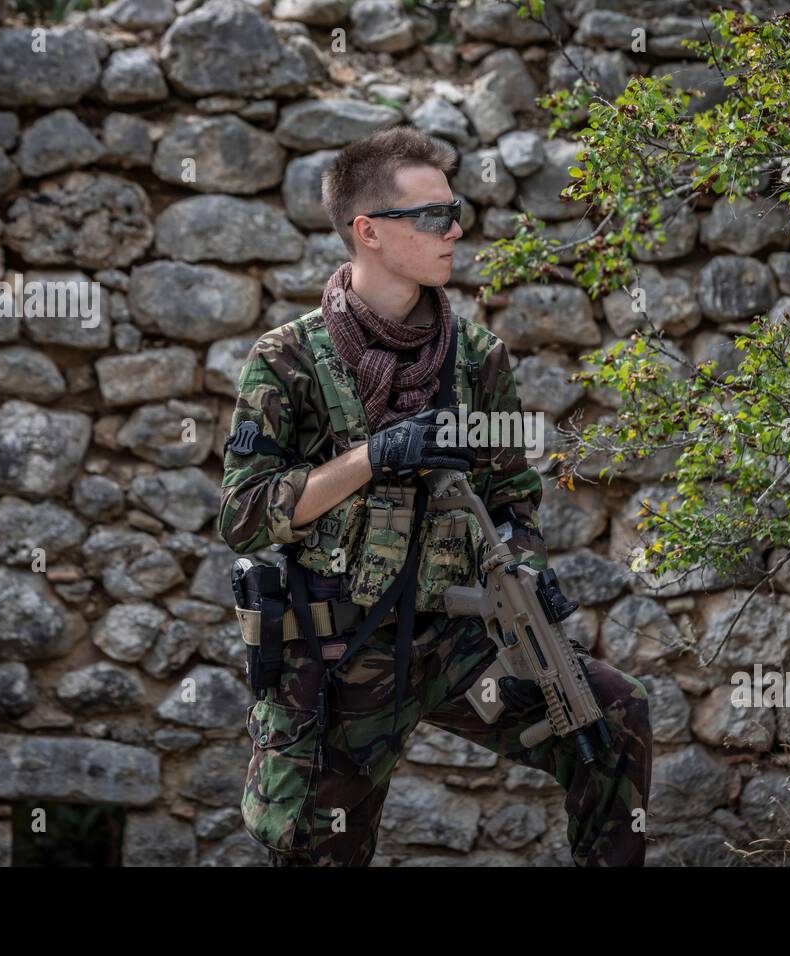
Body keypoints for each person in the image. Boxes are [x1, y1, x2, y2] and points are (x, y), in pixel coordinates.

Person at [218, 126, 652, 866]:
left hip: (458, 646)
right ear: (370, 233)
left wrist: (524, 565)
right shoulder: (287, 361)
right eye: (432, 217)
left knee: (611, 715)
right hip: (338, 654)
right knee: (312, 846)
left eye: (456, 212)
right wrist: (371, 458)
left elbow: (514, 495)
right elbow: (244, 514)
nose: (454, 230)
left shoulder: (477, 358)